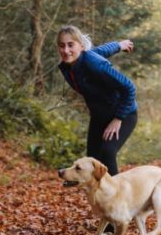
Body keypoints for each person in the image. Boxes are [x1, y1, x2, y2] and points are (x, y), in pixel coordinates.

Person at [56, 25, 138, 176]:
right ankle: (98, 198)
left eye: (70, 45)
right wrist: (119, 45)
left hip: (123, 114)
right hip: (99, 116)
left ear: (81, 46)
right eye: (61, 46)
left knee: (107, 152)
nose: (66, 50)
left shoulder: (95, 64)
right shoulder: (68, 66)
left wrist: (118, 119)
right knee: (91, 160)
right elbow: (102, 50)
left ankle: (116, 195)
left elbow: (129, 87)